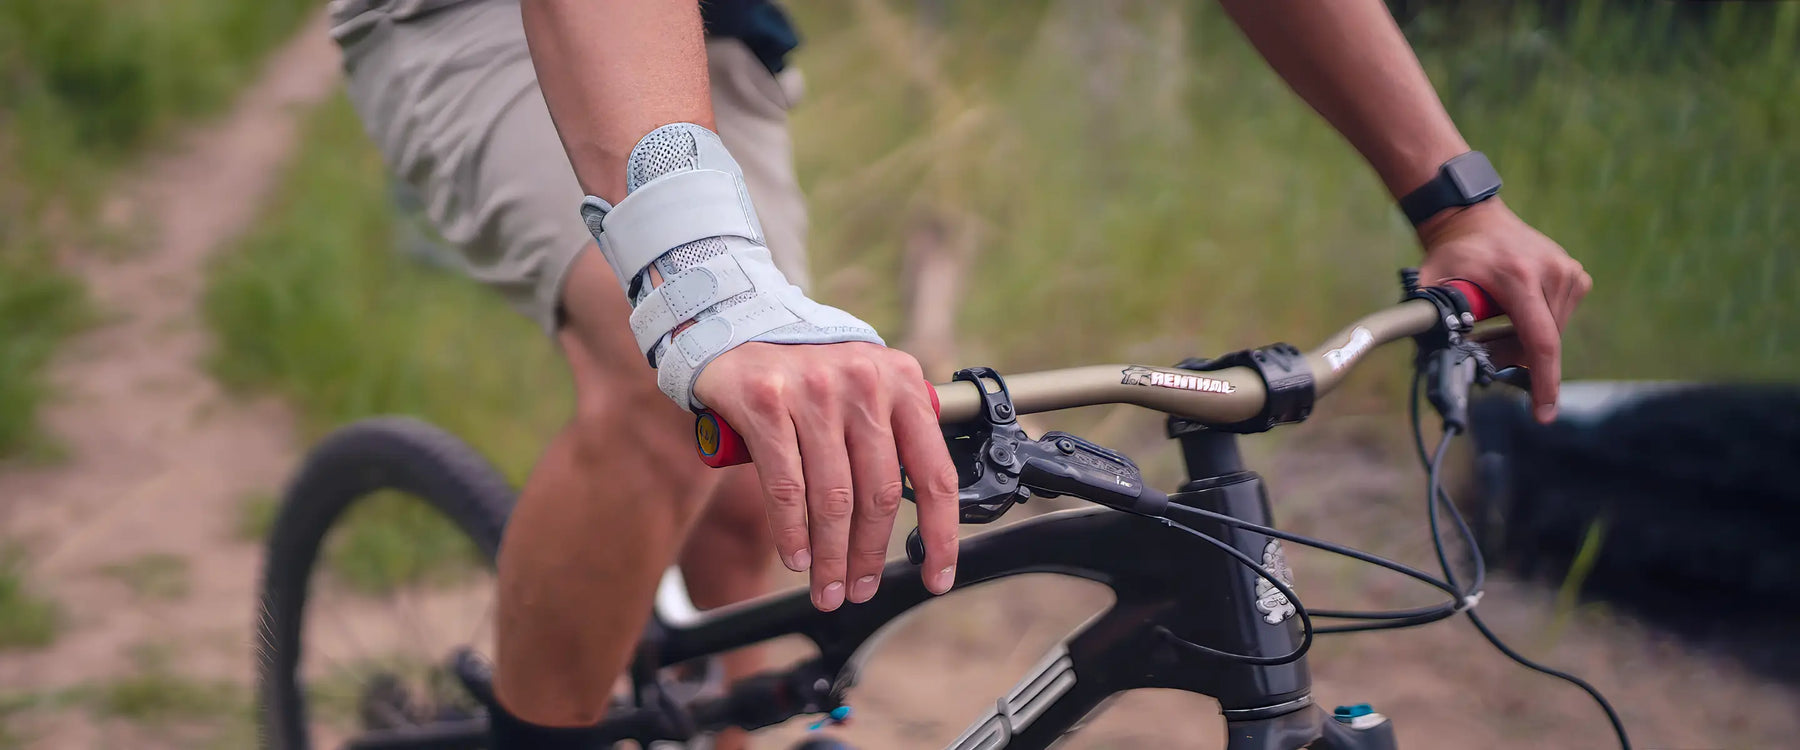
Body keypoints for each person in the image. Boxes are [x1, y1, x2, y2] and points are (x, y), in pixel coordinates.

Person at [327, 1, 1592, 747]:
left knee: (746, 493)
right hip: (486, 17)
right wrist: (706, 286)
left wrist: (1450, 202)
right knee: (667, 395)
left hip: (718, 32)